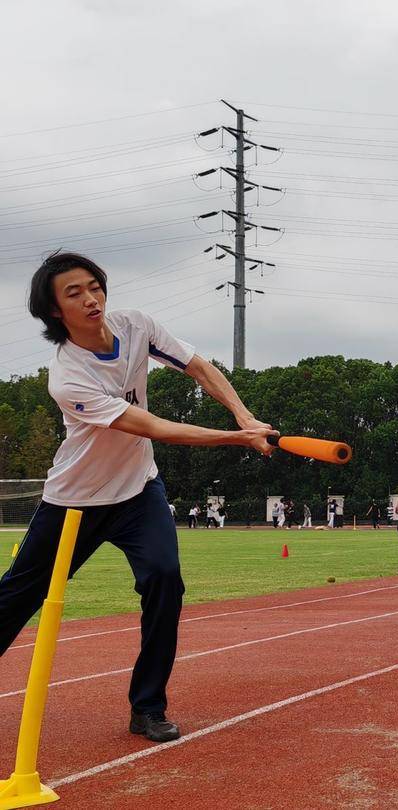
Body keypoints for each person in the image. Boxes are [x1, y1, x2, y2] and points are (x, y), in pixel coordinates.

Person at [0, 251, 275, 743]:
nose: (91, 299)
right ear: (54, 312)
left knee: (165, 580)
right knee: (15, 598)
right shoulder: (68, 376)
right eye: (74, 293)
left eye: (94, 286)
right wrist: (235, 438)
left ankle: (147, 708)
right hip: (74, 502)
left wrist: (244, 415)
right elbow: (152, 427)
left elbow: (198, 367)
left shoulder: (136, 326)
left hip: (138, 493)